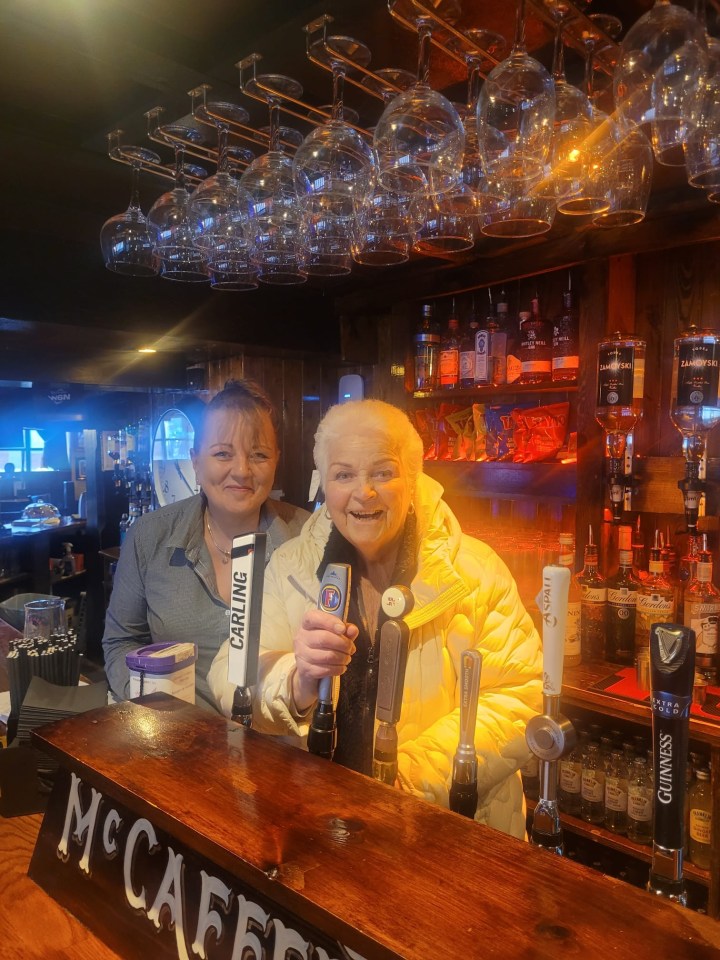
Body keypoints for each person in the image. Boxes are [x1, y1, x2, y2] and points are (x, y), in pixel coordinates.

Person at [208, 399, 542, 839]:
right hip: (316, 826)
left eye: (383, 472)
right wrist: (296, 681)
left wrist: (406, 780)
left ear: (414, 478)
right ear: (324, 484)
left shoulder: (475, 572)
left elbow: (519, 696)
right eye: (344, 474)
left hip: (449, 835)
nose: (363, 492)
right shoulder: (288, 567)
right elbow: (228, 674)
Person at [102, 380, 310, 710]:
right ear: (196, 462)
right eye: (222, 454)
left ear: (276, 461)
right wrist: (151, 707)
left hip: (276, 747)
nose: (241, 470)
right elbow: (121, 642)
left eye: (258, 454)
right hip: (175, 741)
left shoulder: (308, 538)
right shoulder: (149, 536)